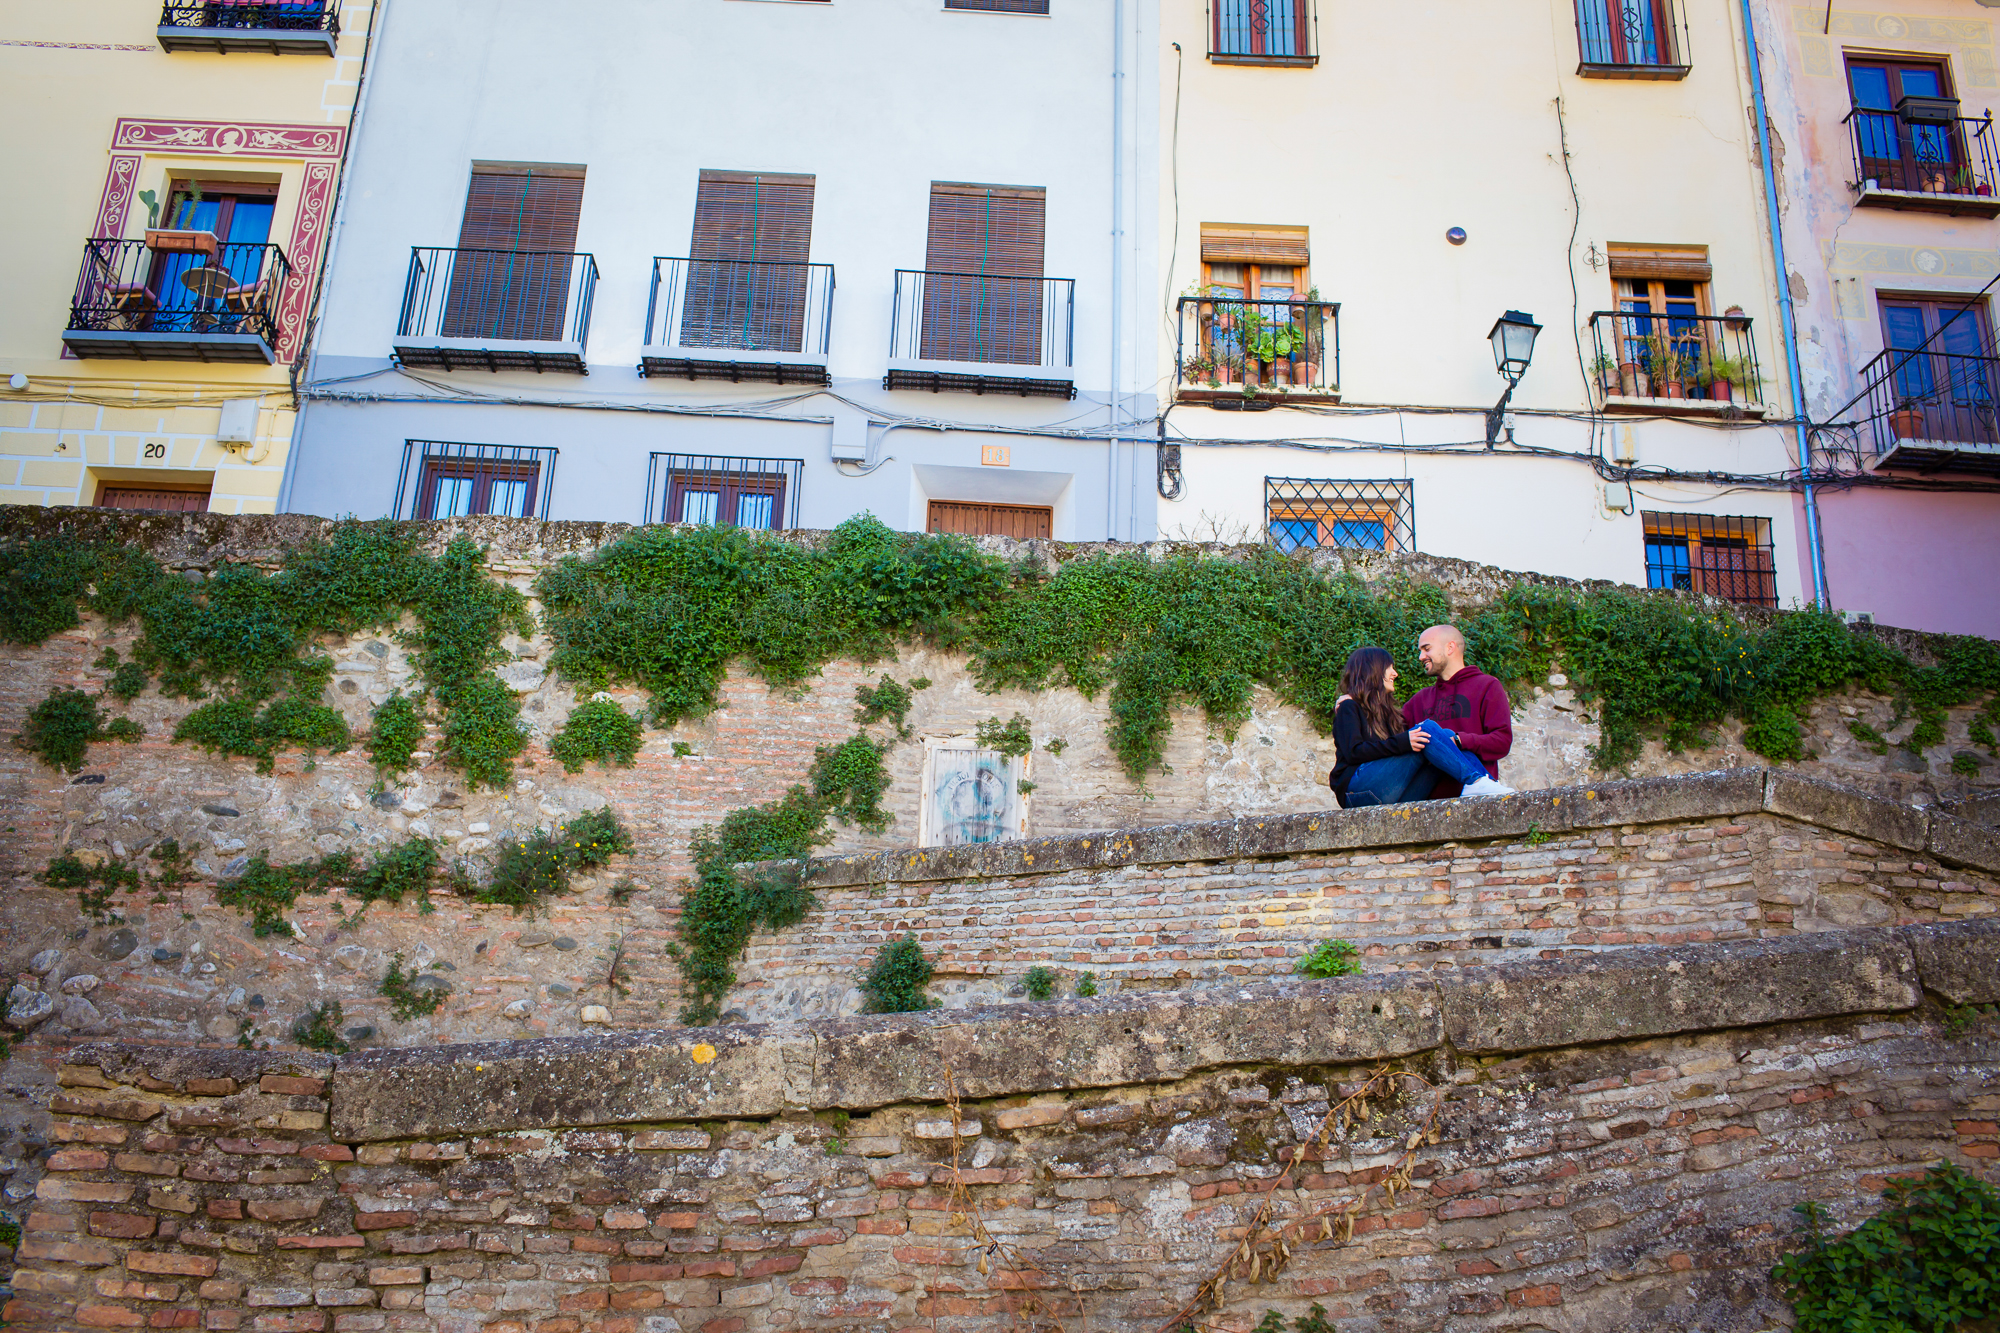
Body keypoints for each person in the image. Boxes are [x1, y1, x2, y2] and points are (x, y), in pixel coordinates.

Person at [1328, 646, 1514, 808]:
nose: (1395, 674)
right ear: (1373, 670)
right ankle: (1476, 781)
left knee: (1444, 738)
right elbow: (1354, 752)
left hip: (1390, 793)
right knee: (1427, 730)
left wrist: (1448, 740)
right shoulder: (1349, 707)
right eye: (1390, 668)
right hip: (1356, 792)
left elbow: (1403, 745)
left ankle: (1482, 782)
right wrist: (1404, 742)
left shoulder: (1389, 714)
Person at [1401, 624, 1516, 800]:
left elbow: (1502, 741)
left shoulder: (1487, 686)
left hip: (1475, 802)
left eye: (1426, 648)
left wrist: (1460, 740)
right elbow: (1386, 735)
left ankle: (1475, 781)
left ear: (1450, 647)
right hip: (1428, 806)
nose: (1421, 656)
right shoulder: (1419, 701)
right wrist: (1350, 703)